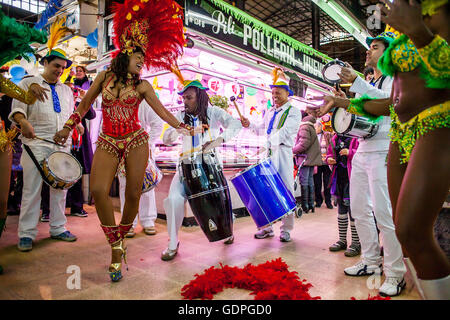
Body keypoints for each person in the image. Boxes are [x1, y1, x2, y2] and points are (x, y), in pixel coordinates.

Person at [311, 0, 450, 299]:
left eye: (375, 48)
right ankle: (377, 264)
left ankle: (397, 274)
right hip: (398, 131)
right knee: (397, 227)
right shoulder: (401, 26)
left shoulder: (438, 10)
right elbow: (392, 101)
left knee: (407, 227)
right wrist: (343, 103)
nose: (369, 51)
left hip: (434, 124)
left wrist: (417, 30)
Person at [53, 0, 188, 282]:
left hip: (136, 141)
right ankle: (114, 241)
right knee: (100, 191)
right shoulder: (103, 77)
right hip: (108, 141)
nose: (143, 62)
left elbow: (162, 111)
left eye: (144, 59)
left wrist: (184, 126)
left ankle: (120, 243)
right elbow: (83, 106)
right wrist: (68, 127)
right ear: (125, 55)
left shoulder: (143, 85)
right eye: (139, 57)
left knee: (134, 194)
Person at [160, 76, 246, 261]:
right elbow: (166, 139)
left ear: (199, 96)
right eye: (183, 98)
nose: (185, 101)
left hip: (210, 165)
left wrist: (219, 140)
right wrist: (179, 129)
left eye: (189, 97)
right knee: (173, 200)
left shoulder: (214, 112)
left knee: (219, 197)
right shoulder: (180, 117)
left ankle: (227, 231)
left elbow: (236, 124)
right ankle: (172, 243)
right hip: (185, 169)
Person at [9, 46, 79, 252]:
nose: (59, 70)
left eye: (63, 68)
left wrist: (76, 126)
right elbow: (17, 110)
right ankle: (26, 234)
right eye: (56, 66)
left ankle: (58, 228)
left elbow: (70, 114)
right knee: (32, 190)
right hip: (35, 145)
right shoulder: (28, 83)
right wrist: (24, 123)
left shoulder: (67, 90)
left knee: (60, 190)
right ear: (45, 63)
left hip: (61, 146)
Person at [249, 68, 302, 242]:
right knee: (265, 190)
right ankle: (267, 227)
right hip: (268, 153)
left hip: (283, 153)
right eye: (272, 93)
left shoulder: (293, 112)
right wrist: (248, 124)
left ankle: (286, 229)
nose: (275, 95)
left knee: (286, 190)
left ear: (287, 93)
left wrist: (267, 145)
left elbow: (286, 132)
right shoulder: (270, 112)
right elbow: (260, 130)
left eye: (278, 92)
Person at [119, 100, 163, 237]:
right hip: (122, 150)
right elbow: (105, 127)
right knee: (125, 187)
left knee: (147, 186)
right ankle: (128, 223)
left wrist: (146, 143)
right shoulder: (114, 104)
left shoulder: (143, 102)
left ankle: (148, 221)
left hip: (142, 150)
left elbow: (158, 124)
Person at [65, 67, 96, 218]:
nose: (72, 91)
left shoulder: (79, 102)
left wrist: (85, 99)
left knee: (76, 173)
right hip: (63, 139)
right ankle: (49, 210)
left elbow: (92, 115)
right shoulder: (63, 101)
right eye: (70, 88)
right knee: (60, 171)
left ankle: (77, 207)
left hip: (79, 142)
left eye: (74, 89)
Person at [326, 133, 361, 257]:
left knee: (353, 211)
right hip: (339, 178)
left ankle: (356, 243)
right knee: (341, 210)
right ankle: (342, 240)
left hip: (353, 179)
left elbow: (362, 154)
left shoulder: (356, 136)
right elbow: (330, 153)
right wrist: (329, 159)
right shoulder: (335, 138)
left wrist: (350, 152)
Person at [293, 114, 322, 214]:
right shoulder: (310, 127)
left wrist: (293, 150)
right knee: (310, 181)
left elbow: (303, 143)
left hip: (305, 159)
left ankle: (305, 205)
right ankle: (310, 204)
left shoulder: (304, 127)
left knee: (304, 181)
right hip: (310, 159)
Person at [313, 119, 333, 209]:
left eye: (316, 126)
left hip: (326, 162)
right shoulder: (312, 136)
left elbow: (331, 145)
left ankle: (328, 201)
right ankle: (318, 201)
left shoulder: (327, 134)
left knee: (327, 182)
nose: (315, 128)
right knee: (317, 183)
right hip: (317, 162)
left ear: (320, 126)